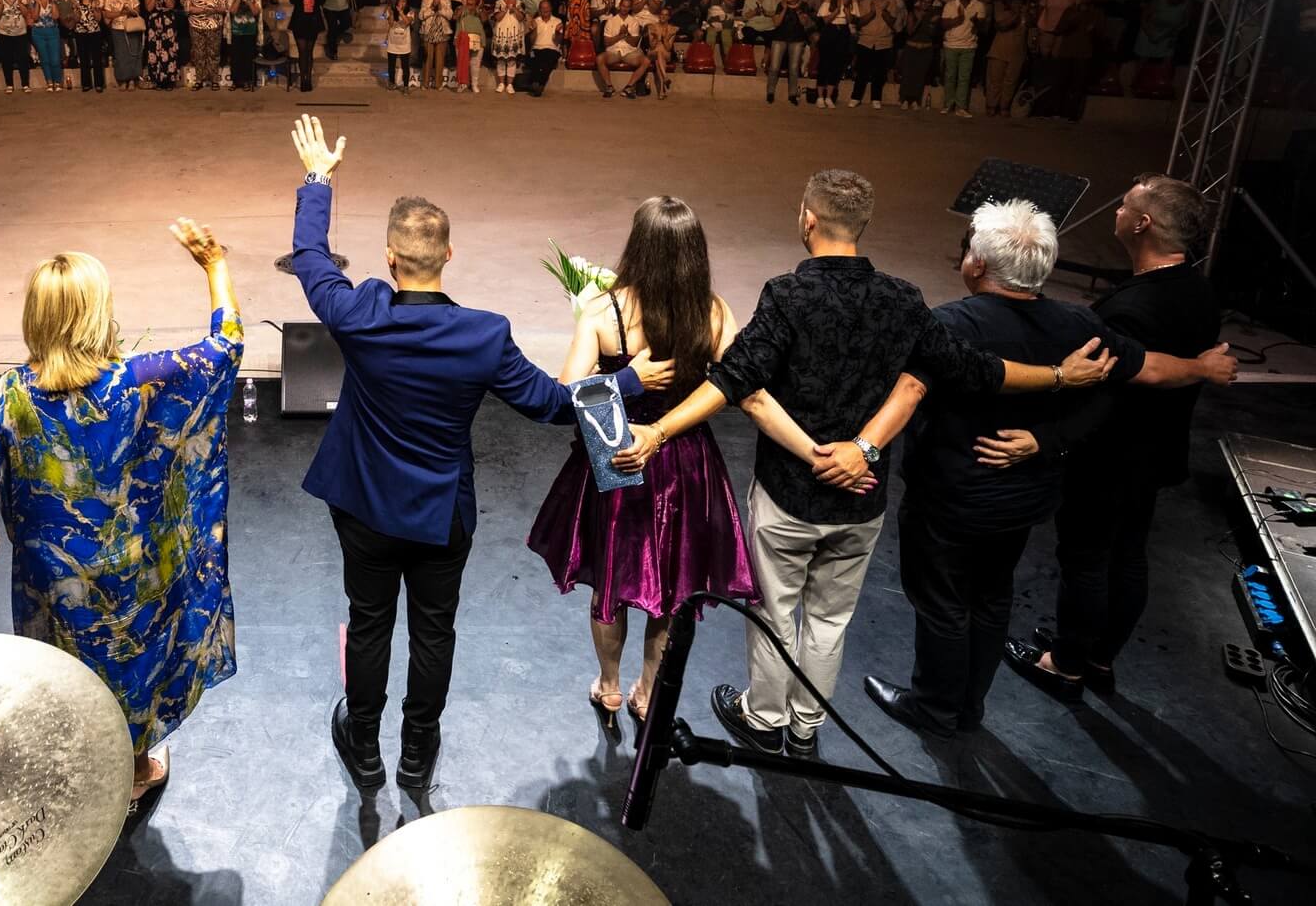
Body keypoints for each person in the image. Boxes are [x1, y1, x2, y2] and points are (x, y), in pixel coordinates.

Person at [619, 170, 1122, 760]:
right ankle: (805, 727)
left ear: (807, 219)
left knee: (774, 611)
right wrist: (1059, 376)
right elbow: (977, 368)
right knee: (830, 621)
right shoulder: (903, 299)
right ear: (865, 224)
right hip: (862, 497)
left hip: (788, 495)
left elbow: (735, 380)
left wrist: (657, 430)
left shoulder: (787, 295)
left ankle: (764, 717)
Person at [286, 115, 644, 792]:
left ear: (390, 258)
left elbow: (309, 256)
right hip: (442, 515)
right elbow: (551, 403)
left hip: (364, 505)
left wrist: (317, 179)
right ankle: (416, 751)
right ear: (450, 255)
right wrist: (627, 381)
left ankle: (364, 744)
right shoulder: (483, 336)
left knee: (368, 624)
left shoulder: (361, 314)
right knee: (434, 632)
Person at [0, 220, 242, 826]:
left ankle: (77, 765)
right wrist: (215, 266)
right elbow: (227, 345)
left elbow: (2, 478)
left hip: (52, 572)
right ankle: (131, 773)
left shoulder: (12, 391)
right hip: (131, 570)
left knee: (66, 664)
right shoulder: (139, 382)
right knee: (129, 664)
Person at [527, 197, 773, 735]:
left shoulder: (605, 312)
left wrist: (627, 379)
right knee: (671, 586)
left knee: (611, 582)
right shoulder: (713, 313)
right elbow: (733, 387)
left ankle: (609, 685)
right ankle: (647, 691)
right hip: (685, 464)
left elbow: (568, 394)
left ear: (636, 246)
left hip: (618, 459)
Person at [1007, 175, 1227, 701]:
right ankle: (1097, 658)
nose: (1117, 211)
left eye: (1125, 205)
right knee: (1127, 555)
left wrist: (1050, 437)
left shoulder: (1134, 308)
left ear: (1143, 224)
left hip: (1109, 457)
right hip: (1154, 454)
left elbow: (1122, 384)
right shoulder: (1197, 290)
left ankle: (1065, 667)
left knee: (1086, 560)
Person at [594, 0, 653, 100]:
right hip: (613, 51)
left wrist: (626, 34)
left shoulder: (634, 22)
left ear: (630, 8)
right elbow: (607, 43)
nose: (625, 9)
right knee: (599, 59)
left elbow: (634, 43)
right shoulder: (611, 21)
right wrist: (620, 35)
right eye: (623, 6)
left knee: (646, 61)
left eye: (627, 7)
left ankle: (629, 87)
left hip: (629, 52)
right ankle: (609, 87)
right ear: (619, 6)